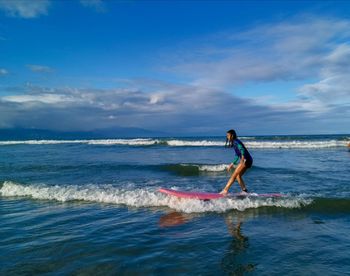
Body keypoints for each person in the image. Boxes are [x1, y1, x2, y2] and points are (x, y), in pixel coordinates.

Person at [220, 129, 253, 195]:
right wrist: (232, 164)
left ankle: (225, 190)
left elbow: (242, 149)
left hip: (246, 160)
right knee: (238, 176)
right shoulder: (235, 143)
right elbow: (237, 155)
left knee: (234, 174)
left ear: (232, 135)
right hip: (249, 160)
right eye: (227, 135)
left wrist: (243, 158)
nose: (227, 137)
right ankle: (245, 191)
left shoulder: (236, 142)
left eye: (228, 135)